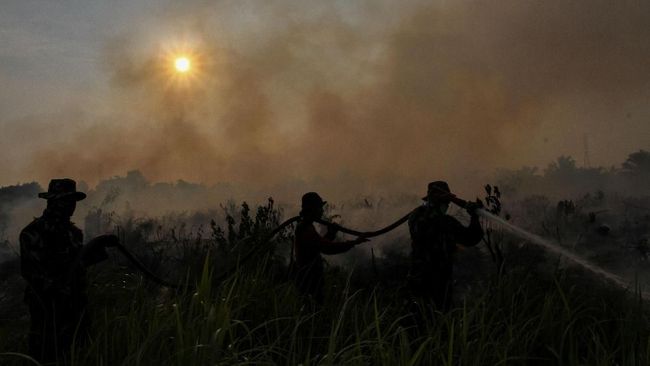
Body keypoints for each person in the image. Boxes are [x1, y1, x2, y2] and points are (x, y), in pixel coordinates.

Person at [20, 178, 118, 365]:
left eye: (72, 201)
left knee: (78, 354)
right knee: (46, 356)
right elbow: (33, 274)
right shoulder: (33, 233)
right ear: (53, 201)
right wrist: (59, 287)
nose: (71, 206)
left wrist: (99, 246)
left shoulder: (74, 234)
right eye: (66, 200)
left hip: (76, 306)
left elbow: (79, 263)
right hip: (48, 310)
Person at [407, 181, 483, 311]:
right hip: (420, 278)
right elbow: (420, 228)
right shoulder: (418, 215)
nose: (446, 205)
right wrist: (434, 207)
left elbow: (470, 238)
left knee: (441, 314)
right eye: (444, 202)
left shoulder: (447, 222)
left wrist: (474, 217)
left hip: (442, 279)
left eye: (447, 202)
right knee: (420, 315)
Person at [292, 192, 367, 305]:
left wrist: (331, 233)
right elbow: (327, 248)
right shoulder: (306, 229)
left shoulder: (307, 227)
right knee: (312, 312)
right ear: (312, 209)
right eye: (319, 208)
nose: (322, 211)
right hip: (309, 281)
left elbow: (317, 246)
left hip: (310, 280)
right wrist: (354, 242)